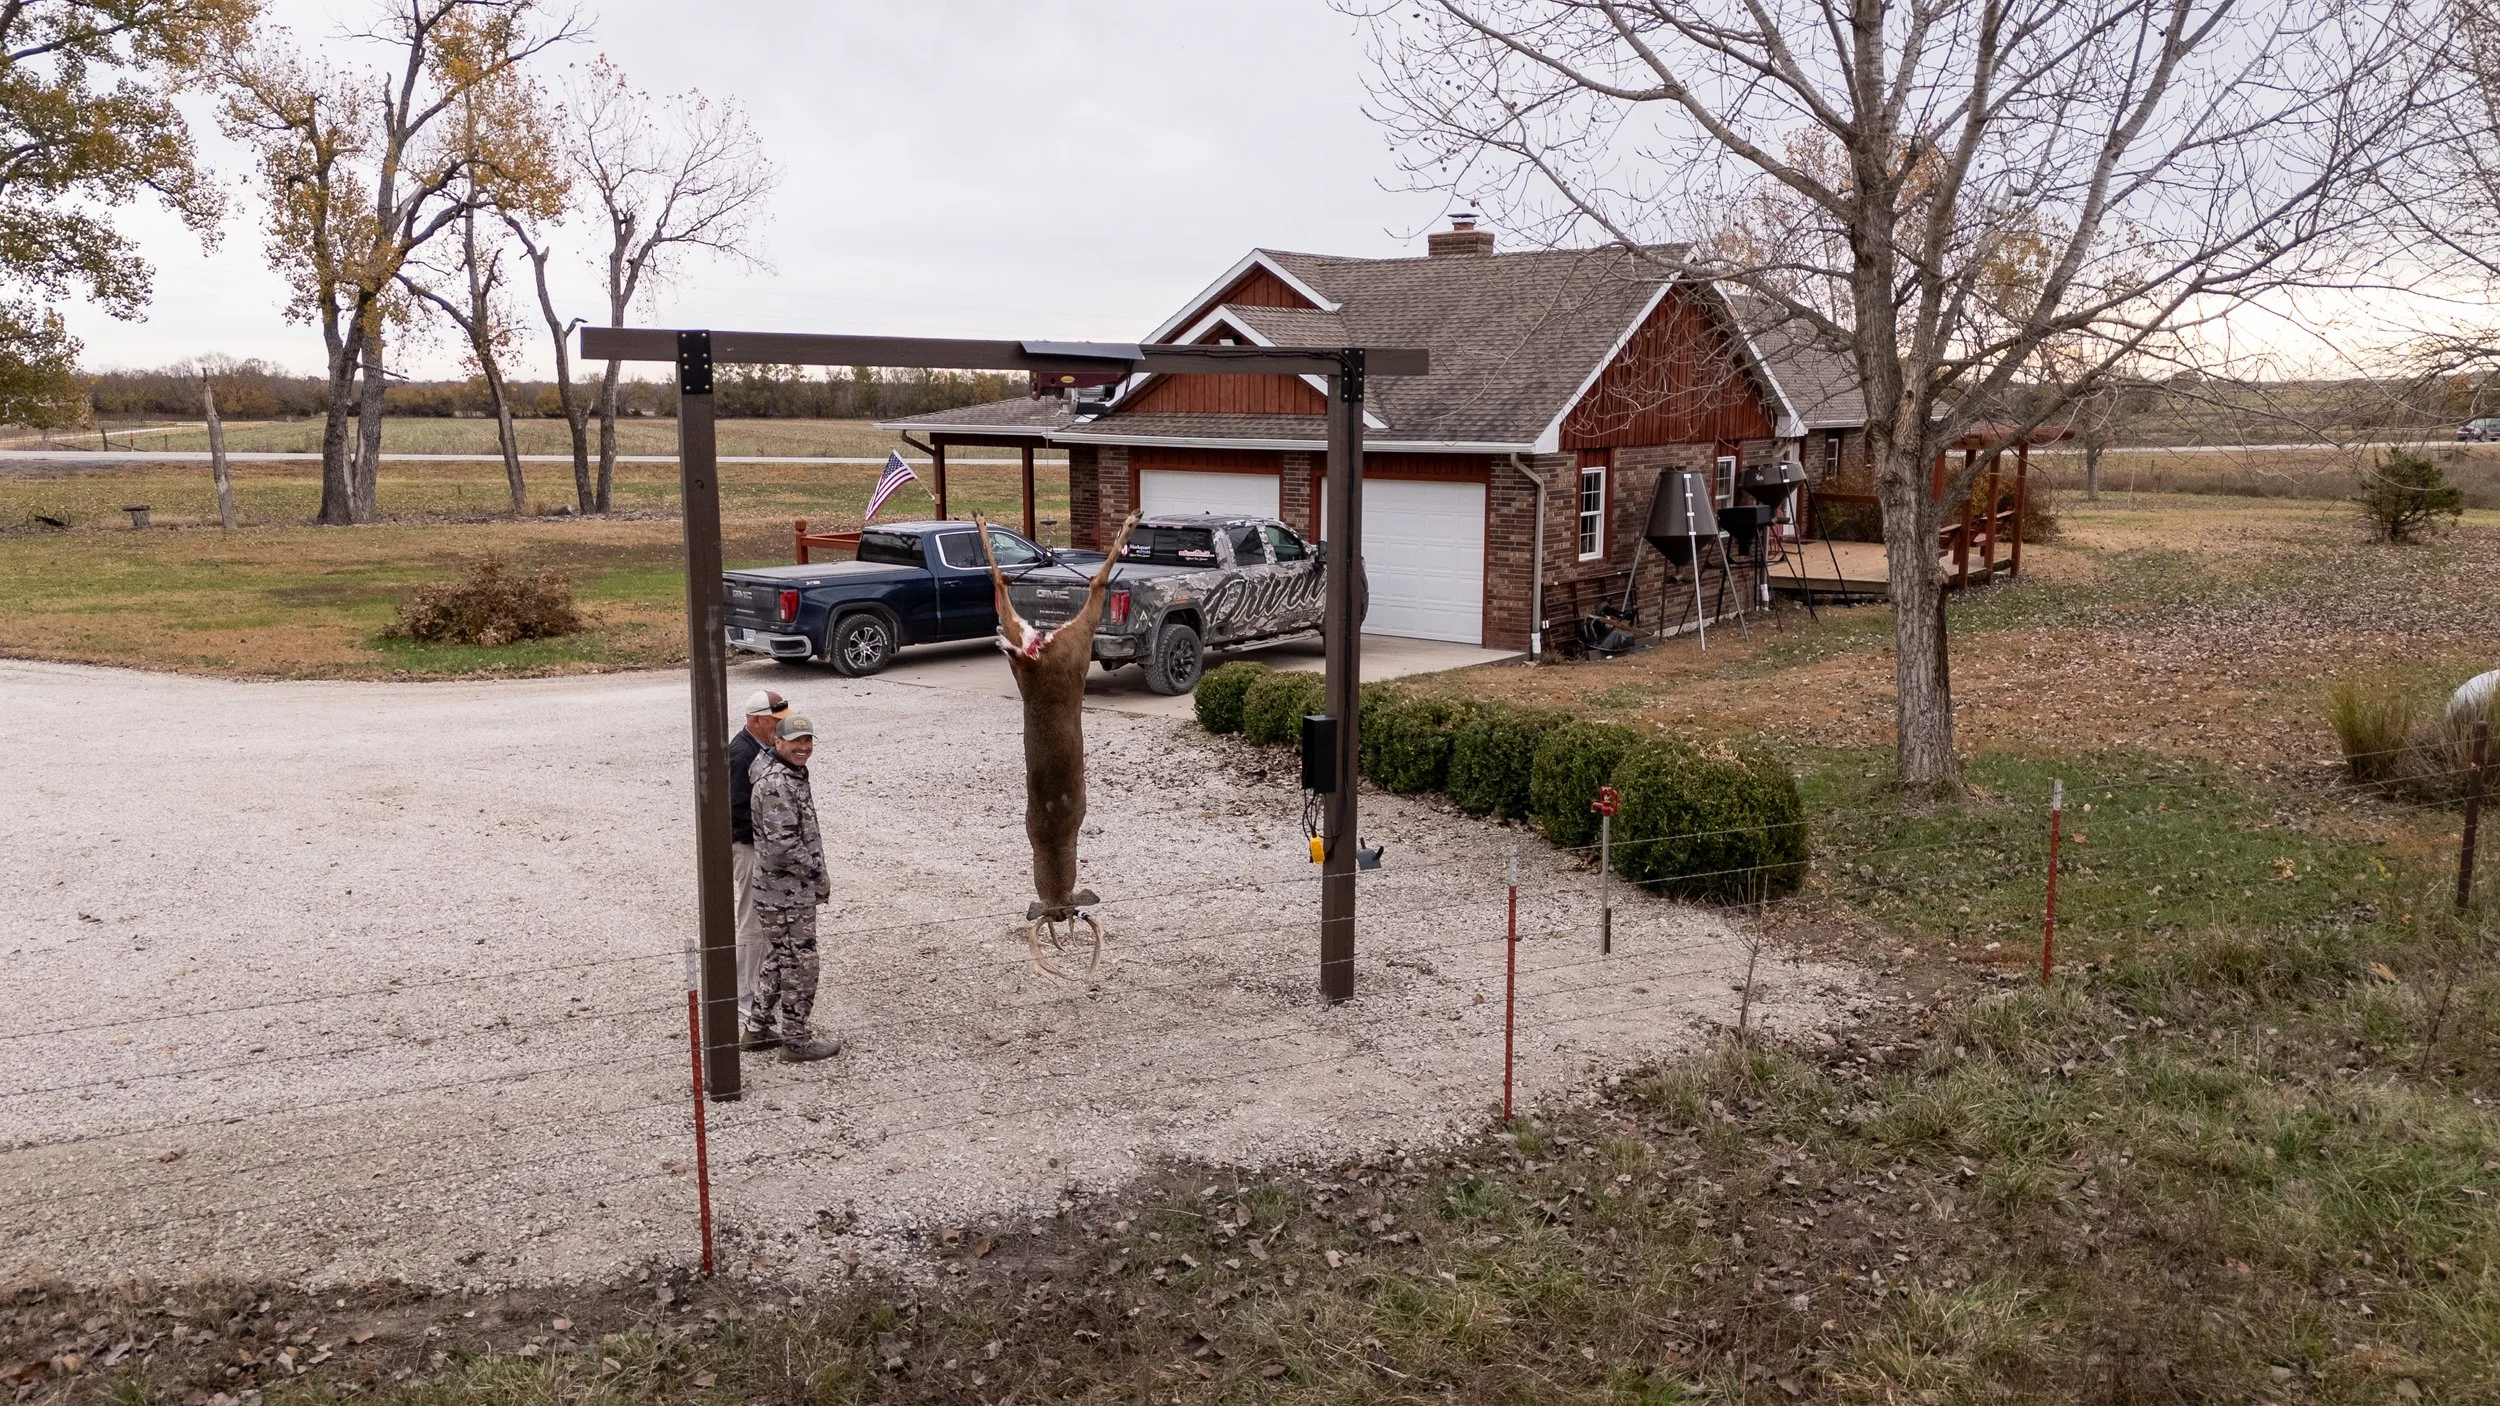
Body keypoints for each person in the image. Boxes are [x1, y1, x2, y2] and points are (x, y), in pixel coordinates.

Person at [747, 713, 838, 1062]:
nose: (803, 748)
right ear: (777, 742)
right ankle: (796, 1041)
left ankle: (757, 1029)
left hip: (782, 892)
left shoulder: (786, 773)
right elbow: (782, 846)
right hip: (785, 893)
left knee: (778, 958)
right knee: (801, 965)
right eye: (796, 741)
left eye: (808, 741)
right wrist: (817, 872)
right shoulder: (776, 784)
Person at [729, 689, 788, 1036]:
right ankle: (744, 994)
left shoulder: (762, 747)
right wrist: (763, 843)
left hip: (760, 847)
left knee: (762, 918)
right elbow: (736, 809)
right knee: (752, 918)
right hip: (749, 848)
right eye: (775, 719)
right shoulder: (741, 754)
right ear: (756, 720)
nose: (780, 724)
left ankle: (757, 986)